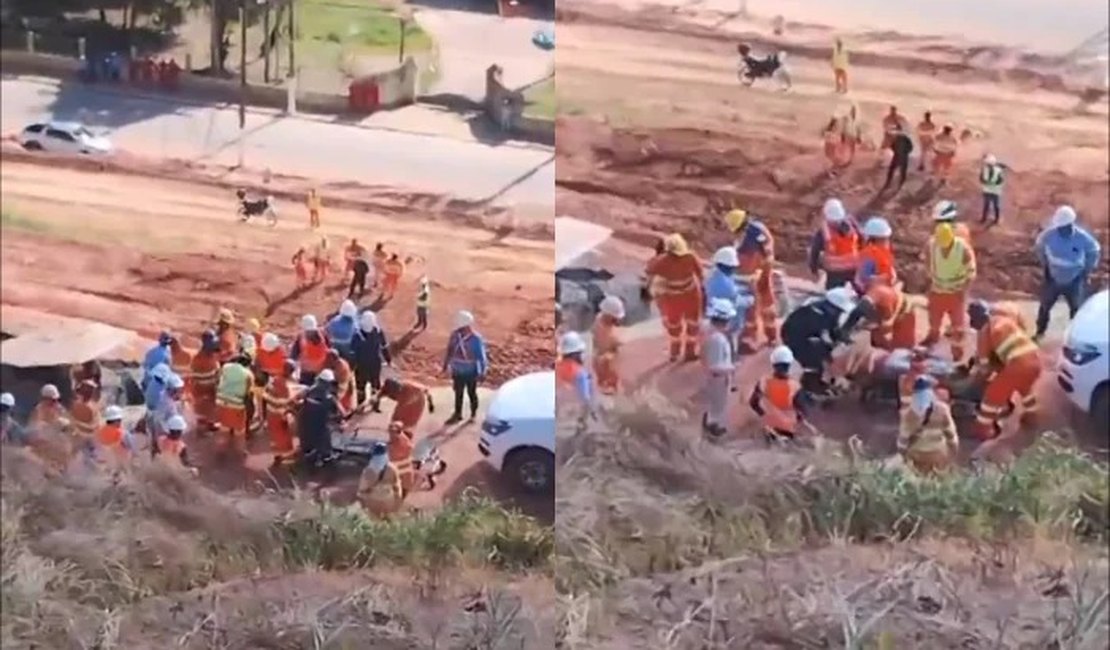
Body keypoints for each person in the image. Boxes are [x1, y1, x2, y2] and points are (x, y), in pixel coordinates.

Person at [966, 300, 1041, 441]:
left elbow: (984, 368)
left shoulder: (984, 332)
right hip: (1035, 358)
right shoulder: (1004, 319)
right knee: (1025, 388)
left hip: (1017, 364)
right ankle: (1032, 416)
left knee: (993, 395)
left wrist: (974, 383)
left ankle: (983, 429)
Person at [1033, 205, 1101, 340]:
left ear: (1070, 225)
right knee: (1045, 307)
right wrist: (1045, 265)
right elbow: (1039, 246)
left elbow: (1094, 251)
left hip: (1074, 281)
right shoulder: (1049, 235)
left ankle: (1076, 336)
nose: (1060, 229)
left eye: (1063, 227)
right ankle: (1040, 332)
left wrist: (1086, 270)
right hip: (1053, 278)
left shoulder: (1082, 238)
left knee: (1076, 310)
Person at [781, 286, 858, 396]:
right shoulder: (817, 315)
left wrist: (844, 339)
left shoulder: (827, 312)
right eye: (839, 310)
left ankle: (826, 377)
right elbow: (825, 337)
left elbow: (833, 329)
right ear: (832, 307)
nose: (840, 312)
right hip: (795, 338)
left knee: (828, 350)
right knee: (819, 353)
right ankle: (811, 383)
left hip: (807, 334)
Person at [724, 209, 779, 352]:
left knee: (751, 306)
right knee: (767, 302)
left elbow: (748, 261)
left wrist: (744, 276)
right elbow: (767, 250)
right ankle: (771, 335)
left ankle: (749, 340)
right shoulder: (758, 229)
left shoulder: (748, 241)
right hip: (763, 269)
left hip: (755, 273)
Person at [645, 233, 705, 361]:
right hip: (691, 294)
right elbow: (700, 274)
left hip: (672, 297)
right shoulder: (691, 257)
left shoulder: (661, 261)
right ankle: (690, 351)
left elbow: (649, 272)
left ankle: (674, 352)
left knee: (674, 325)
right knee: (693, 324)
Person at [922, 222, 977, 362]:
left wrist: (963, 292)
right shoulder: (932, 245)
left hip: (956, 293)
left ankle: (957, 353)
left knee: (957, 326)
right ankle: (932, 338)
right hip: (937, 291)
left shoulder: (963, 248)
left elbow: (971, 273)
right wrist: (929, 283)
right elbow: (927, 263)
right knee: (934, 320)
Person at [897, 376, 958, 474]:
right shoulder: (942, 409)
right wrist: (953, 451)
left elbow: (903, 440)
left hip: (916, 454)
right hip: (938, 452)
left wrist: (903, 456)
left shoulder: (909, 413)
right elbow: (951, 433)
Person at [750, 345, 810, 443]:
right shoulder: (795, 386)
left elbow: (753, 403)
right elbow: (803, 411)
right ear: (789, 365)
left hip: (770, 428)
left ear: (773, 364)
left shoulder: (763, 381)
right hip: (789, 429)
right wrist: (797, 421)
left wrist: (764, 416)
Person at [706, 245, 755, 359]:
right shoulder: (725, 285)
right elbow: (737, 300)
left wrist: (745, 286)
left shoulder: (714, 275)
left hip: (715, 315)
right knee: (730, 340)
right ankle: (730, 358)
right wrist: (750, 299)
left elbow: (733, 286)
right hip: (729, 319)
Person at [442, 310, 488, 424]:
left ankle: (473, 414)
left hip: (470, 372)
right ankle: (458, 414)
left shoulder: (476, 339)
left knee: (472, 393)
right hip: (457, 371)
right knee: (458, 393)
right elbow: (450, 350)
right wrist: (445, 365)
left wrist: (482, 372)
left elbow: (481, 357)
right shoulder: (454, 336)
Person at [842, 281, 916, 351]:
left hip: (897, 315)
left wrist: (846, 328)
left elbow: (862, 308)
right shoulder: (879, 294)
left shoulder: (882, 294)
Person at [701, 298, 737, 437]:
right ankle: (713, 429)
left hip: (716, 379)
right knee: (717, 406)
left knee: (715, 405)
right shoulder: (717, 339)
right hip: (718, 380)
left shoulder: (710, 332)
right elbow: (714, 366)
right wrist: (731, 369)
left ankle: (712, 424)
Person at [808, 198, 860, 289]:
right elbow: (863, 241)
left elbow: (814, 252)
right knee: (857, 295)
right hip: (854, 269)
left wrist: (814, 269)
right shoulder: (853, 225)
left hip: (835, 273)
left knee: (833, 297)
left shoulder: (824, 232)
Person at [298, 369, 345, 466]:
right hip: (319, 424)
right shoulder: (328, 397)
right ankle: (325, 457)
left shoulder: (309, 391)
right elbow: (341, 412)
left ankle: (312, 455)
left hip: (308, 423)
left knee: (310, 440)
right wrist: (339, 420)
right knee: (324, 438)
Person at [215, 353, 255, 453]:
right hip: (236, 404)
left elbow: (218, 379)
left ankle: (220, 449)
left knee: (224, 428)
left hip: (221, 401)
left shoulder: (225, 366)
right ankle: (241, 450)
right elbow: (248, 392)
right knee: (239, 431)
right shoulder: (248, 374)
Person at [352, 310, 391, 408]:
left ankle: (360, 406)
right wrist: (388, 359)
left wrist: (352, 365)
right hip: (375, 364)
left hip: (361, 366)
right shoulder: (378, 332)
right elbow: (384, 347)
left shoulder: (357, 335)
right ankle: (376, 406)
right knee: (375, 385)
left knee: (360, 387)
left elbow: (352, 351)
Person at [263, 359, 298, 467]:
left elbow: (266, 396)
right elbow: (286, 403)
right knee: (284, 438)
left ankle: (277, 456)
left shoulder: (274, 379)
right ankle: (287, 460)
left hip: (271, 414)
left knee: (276, 437)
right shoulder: (285, 386)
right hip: (280, 416)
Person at [357, 442, 403, 518]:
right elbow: (397, 487)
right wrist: (397, 502)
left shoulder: (368, 471)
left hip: (373, 501)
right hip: (388, 500)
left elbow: (362, 490)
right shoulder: (392, 469)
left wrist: (363, 504)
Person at [592, 296, 626, 395]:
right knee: (606, 368)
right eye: (614, 317)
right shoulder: (602, 329)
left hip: (603, 352)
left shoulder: (600, 318)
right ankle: (607, 386)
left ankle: (609, 385)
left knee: (609, 369)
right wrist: (615, 345)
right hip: (603, 354)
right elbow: (605, 342)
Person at [190, 330, 221, 432]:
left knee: (203, 406)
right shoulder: (206, 360)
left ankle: (203, 422)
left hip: (200, 388)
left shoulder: (196, 358)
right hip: (207, 388)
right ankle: (207, 423)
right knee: (207, 406)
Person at [556, 331, 594, 412]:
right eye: (581, 352)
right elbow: (585, 398)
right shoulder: (580, 373)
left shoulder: (557, 366)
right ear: (576, 354)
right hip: (573, 412)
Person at [855, 217, 897, 289]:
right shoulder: (870, 254)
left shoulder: (877, 252)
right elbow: (866, 278)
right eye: (885, 239)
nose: (887, 241)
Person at [290, 314, 330, 385]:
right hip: (315, 371)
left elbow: (294, 354)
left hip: (316, 372)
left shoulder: (302, 337)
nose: (310, 333)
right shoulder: (323, 334)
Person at [95, 405, 133, 470]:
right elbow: (131, 446)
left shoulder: (99, 431)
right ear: (117, 420)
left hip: (105, 464)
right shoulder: (122, 433)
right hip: (121, 462)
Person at [325, 299, 361, 363]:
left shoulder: (334, 320)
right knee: (349, 357)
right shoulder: (353, 324)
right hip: (347, 345)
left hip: (334, 344)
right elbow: (357, 333)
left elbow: (327, 329)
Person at [881, 122, 913, 192]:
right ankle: (899, 183)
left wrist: (896, 151)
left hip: (897, 155)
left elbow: (892, 146)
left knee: (892, 169)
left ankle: (889, 182)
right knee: (902, 171)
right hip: (903, 156)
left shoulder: (896, 138)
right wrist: (906, 152)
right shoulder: (905, 138)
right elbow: (910, 147)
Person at [68, 380, 101, 447]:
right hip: (82, 438)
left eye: (92, 390)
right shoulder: (80, 405)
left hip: (91, 437)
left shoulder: (92, 404)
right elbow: (78, 423)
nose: (92, 392)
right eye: (90, 390)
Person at [387, 421, 416, 496]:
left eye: (392, 432)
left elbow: (393, 455)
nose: (390, 434)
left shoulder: (400, 444)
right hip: (401, 467)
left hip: (401, 469)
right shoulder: (402, 438)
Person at [324, 348, 357, 413]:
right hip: (340, 384)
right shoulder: (337, 363)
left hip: (341, 386)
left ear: (333, 358)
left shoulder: (340, 365)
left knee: (330, 396)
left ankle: (340, 413)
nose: (327, 359)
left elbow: (335, 378)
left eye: (328, 357)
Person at [979, 154, 1007, 225]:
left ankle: (995, 219)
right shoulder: (985, 169)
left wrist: (989, 182)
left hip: (994, 191)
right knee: (988, 205)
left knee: (995, 205)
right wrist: (987, 182)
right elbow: (981, 179)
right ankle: (985, 218)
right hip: (989, 190)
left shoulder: (997, 170)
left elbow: (1000, 180)